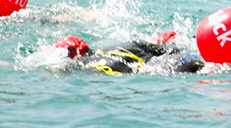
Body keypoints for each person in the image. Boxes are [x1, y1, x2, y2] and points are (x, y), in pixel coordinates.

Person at [56, 33, 204, 74]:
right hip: (176, 61)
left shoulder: (83, 67)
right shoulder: (125, 44)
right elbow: (172, 50)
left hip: (158, 72)